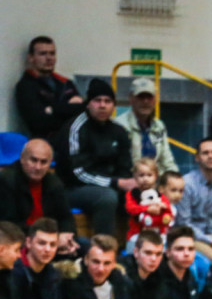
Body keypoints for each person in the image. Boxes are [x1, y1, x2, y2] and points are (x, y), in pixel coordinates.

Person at [53, 79, 134, 236]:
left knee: (145, 195)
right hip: (72, 188)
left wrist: (133, 184)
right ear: (88, 104)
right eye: (97, 100)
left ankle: (138, 248)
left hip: (109, 184)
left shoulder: (119, 131)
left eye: (108, 101)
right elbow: (77, 173)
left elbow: (125, 167)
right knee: (107, 197)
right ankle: (103, 249)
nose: (102, 105)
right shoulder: (76, 127)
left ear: (113, 106)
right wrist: (116, 182)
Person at [0, 139, 81, 259]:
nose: (38, 167)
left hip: (48, 239)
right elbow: (9, 224)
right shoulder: (7, 181)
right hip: (19, 239)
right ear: (22, 159)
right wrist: (47, 237)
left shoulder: (54, 183)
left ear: (50, 164)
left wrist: (66, 235)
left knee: (82, 247)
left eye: (43, 162)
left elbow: (65, 217)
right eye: (33, 160)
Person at [14, 36, 85, 141]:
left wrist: (53, 109)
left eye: (52, 53)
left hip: (73, 139)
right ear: (31, 58)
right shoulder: (26, 86)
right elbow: (38, 123)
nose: (49, 58)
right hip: (45, 143)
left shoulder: (65, 83)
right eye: (43, 54)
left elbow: (83, 111)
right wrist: (68, 108)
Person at [177, 139, 212, 260]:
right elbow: (184, 224)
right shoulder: (186, 184)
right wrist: (211, 241)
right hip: (191, 238)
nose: (210, 156)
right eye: (205, 153)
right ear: (197, 157)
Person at [114, 77, 179, 174]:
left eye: (149, 97)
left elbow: (167, 161)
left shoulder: (159, 126)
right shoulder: (119, 125)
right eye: (141, 97)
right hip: (129, 180)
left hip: (156, 180)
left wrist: (176, 179)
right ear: (131, 99)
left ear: (155, 100)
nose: (145, 101)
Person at [123, 158, 175, 252]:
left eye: (149, 175)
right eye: (141, 175)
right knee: (131, 251)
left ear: (156, 176)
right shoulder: (131, 194)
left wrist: (164, 210)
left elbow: (168, 212)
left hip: (158, 234)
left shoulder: (161, 196)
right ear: (135, 177)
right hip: (137, 233)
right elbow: (130, 208)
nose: (145, 179)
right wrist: (147, 209)